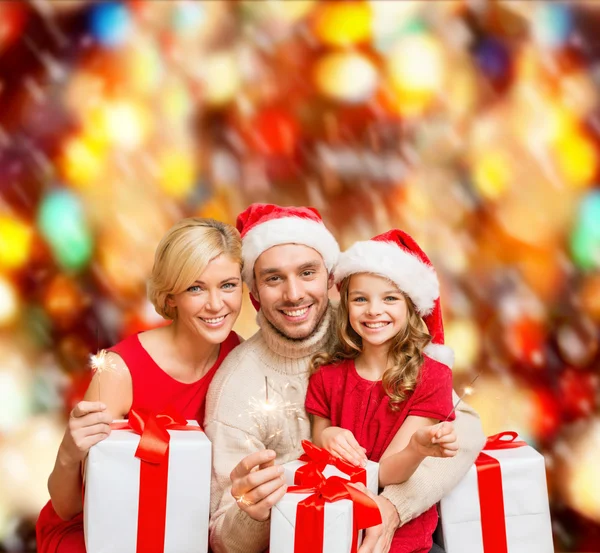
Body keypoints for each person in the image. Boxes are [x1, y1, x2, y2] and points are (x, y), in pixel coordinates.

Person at [205, 203, 486, 553]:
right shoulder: (238, 384)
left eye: (307, 272)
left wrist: (393, 507)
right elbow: (222, 539)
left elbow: (467, 427)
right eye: (274, 278)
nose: (294, 294)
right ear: (255, 292)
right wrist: (254, 511)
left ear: (329, 276)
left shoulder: (368, 327)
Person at [36, 217, 244, 553]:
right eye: (196, 287)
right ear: (171, 295)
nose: (216, 304)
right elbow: (67, 508)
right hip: (103, 529)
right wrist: (67, 454)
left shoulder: (239, 356)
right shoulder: (119, 371)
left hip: (183, 527)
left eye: (228, 285)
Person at [307, 229, 459, 553]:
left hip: (403, 543)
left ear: (411, 307)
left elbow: (387, 473)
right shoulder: (326, 377)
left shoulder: (432, 378)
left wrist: (417, 449)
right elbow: (315, 446)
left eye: (390, 298)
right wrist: (327, 435)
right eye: (360, 298)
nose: (374, 310)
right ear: (346, 305)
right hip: (332, 533)